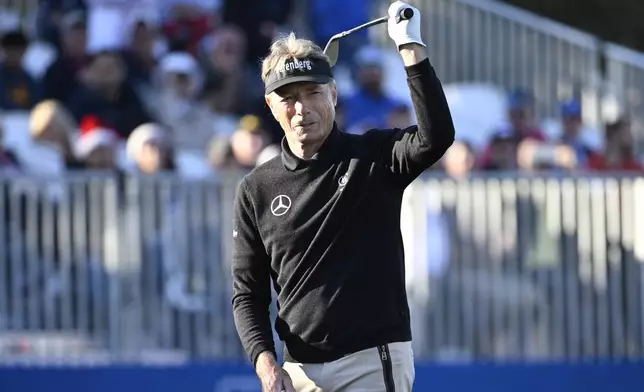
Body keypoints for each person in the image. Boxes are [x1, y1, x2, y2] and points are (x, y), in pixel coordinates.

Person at [230, 2, 455, 391]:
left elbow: (436, 137)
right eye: (288, 98)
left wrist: (410, 48)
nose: (301, 109)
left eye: (312, 92)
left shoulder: (373, 157)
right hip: (297, 370)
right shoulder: (255, 188)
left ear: (333, 93)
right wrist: (266, 363)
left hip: (371, 362)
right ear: (271, 106)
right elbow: (247, 293)